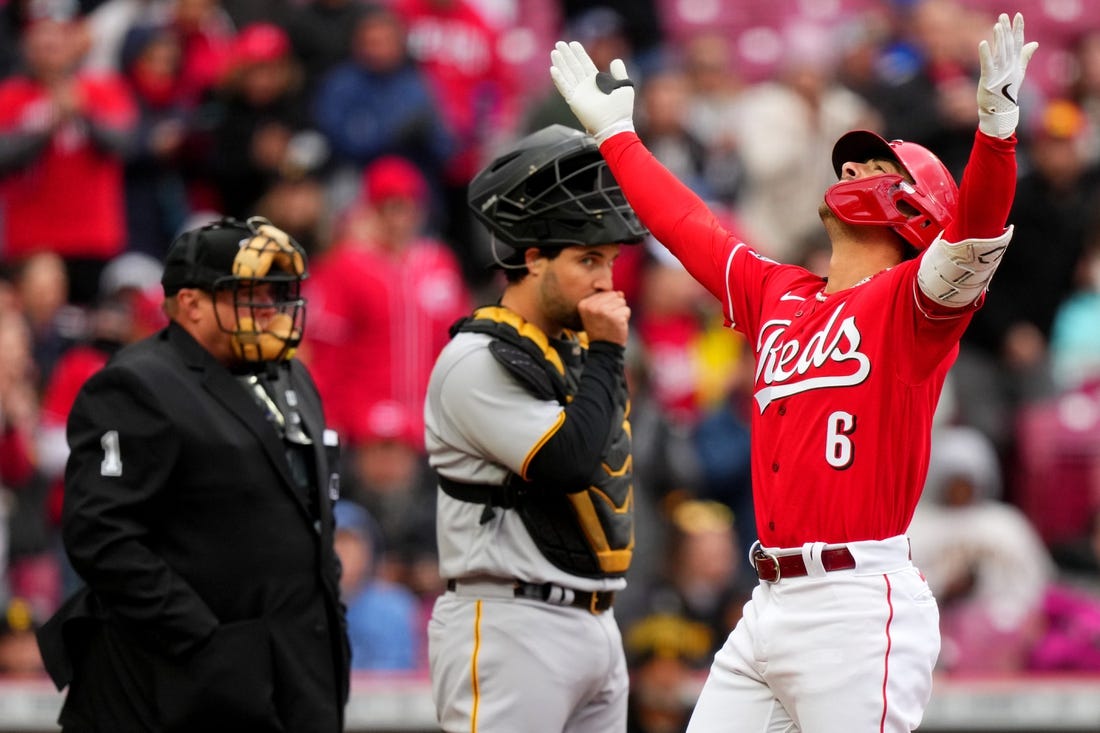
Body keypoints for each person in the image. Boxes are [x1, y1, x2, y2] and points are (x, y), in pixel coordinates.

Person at [550, 11, 1036, 733]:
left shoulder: (916, 303)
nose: (851, 167)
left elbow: (978, 233)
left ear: (915, 209)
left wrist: (994, 138)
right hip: (769, 599)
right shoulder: (781, 293)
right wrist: (618, 139)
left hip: (858, 604)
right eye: (853, 160)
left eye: (875, 165)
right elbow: (689, 228)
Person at [35, 216, 351, 732]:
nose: (269, 306)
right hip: (176, 687)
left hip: (298, 674)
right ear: (191, 304)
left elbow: (310, 521)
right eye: (247, 292)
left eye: (274, 291)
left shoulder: (292, 376)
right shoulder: (137, 385)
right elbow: (101, 538)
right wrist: (207, 640)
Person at [423, 123, 648, 733]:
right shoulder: (475, 358)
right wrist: (607, 353)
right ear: (532, 258)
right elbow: (565, 464)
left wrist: (597, 353)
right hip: (508, 620)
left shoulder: (568, 349)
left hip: (595, 617)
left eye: (609, 261)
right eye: (586, 260)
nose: (606, 280)